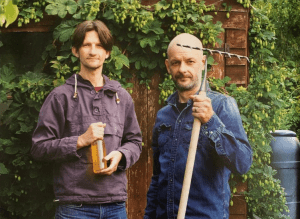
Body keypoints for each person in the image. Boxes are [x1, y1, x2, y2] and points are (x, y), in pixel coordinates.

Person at [31, 20, 142, 219]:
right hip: (74, 208)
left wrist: (121, 155)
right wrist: (80, 141)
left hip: (115, 206)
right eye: (86, 45)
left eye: (99, 45)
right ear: (75, 51)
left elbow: (134, 142)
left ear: (107, 53)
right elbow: (39, 148)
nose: (93, 51)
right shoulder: (60, 97)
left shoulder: (121, 96)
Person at [144, 33, 252, 219]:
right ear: (168, 66)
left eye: (190, 61)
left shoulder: (222, 106)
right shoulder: (164, 115)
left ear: (203, 62)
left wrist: (211, 120)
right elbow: (157, 178)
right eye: (176, 62)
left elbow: (242, 163)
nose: (182, 69)